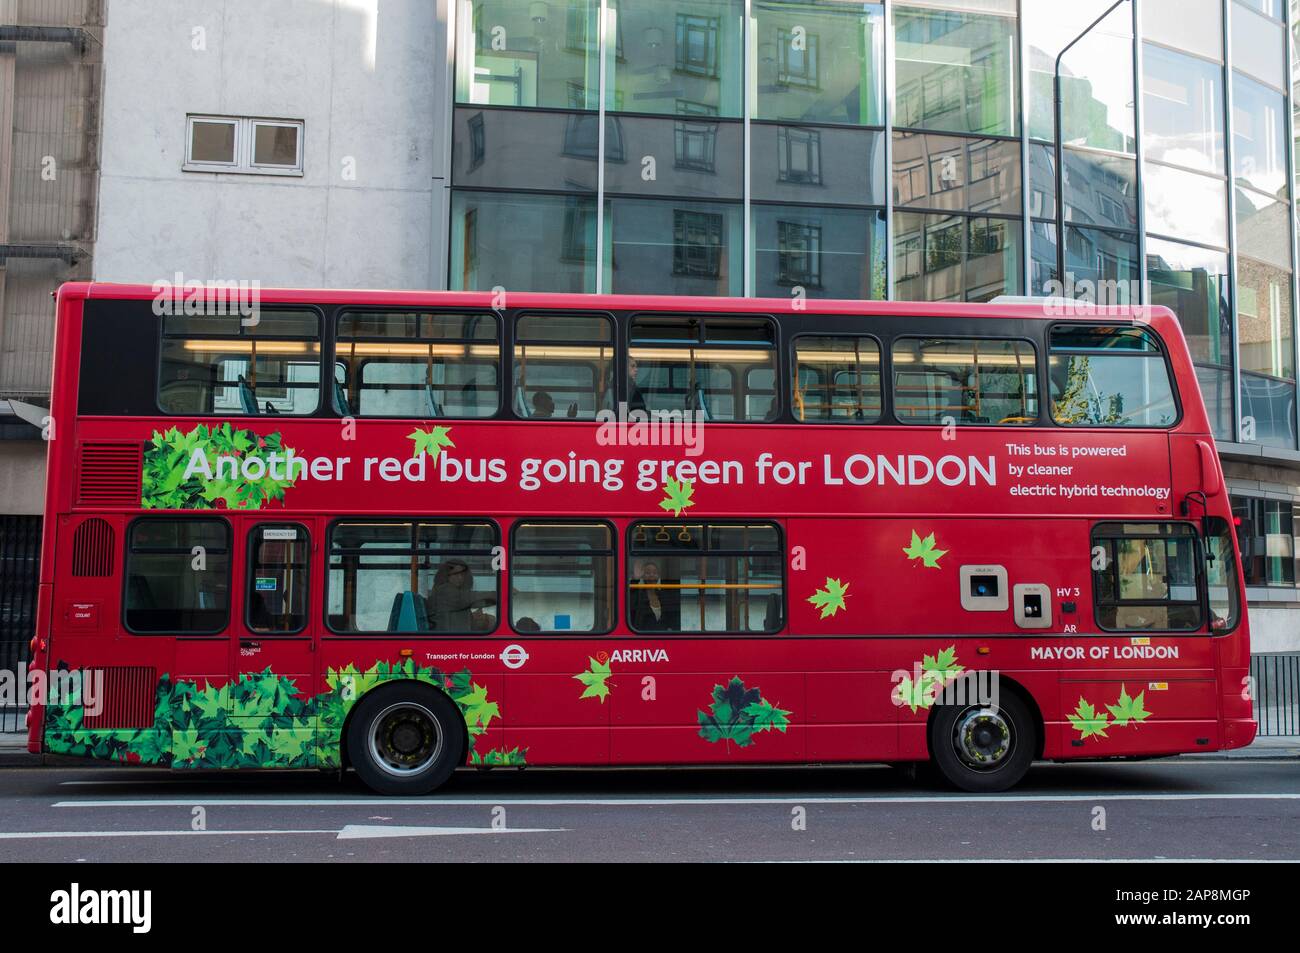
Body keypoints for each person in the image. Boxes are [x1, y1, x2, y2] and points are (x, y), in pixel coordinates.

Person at [429, 559, 495, 632]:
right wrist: (495, 595)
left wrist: (484, 620)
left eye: (462, 574)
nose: (460, 577)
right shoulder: (445, 590)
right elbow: (472, 598)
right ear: (446, 575)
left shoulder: (459, 596)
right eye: (456, 574)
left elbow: (468, 625)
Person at [629, 560, 679, 631]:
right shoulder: (638, 594)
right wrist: (635, 579)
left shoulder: (663, 595)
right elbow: (629, 598)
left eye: (655, 572)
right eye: (648, 573)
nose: (651, 575)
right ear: (642, 576)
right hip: (643, 636)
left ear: (658, 576)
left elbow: (670, 616)